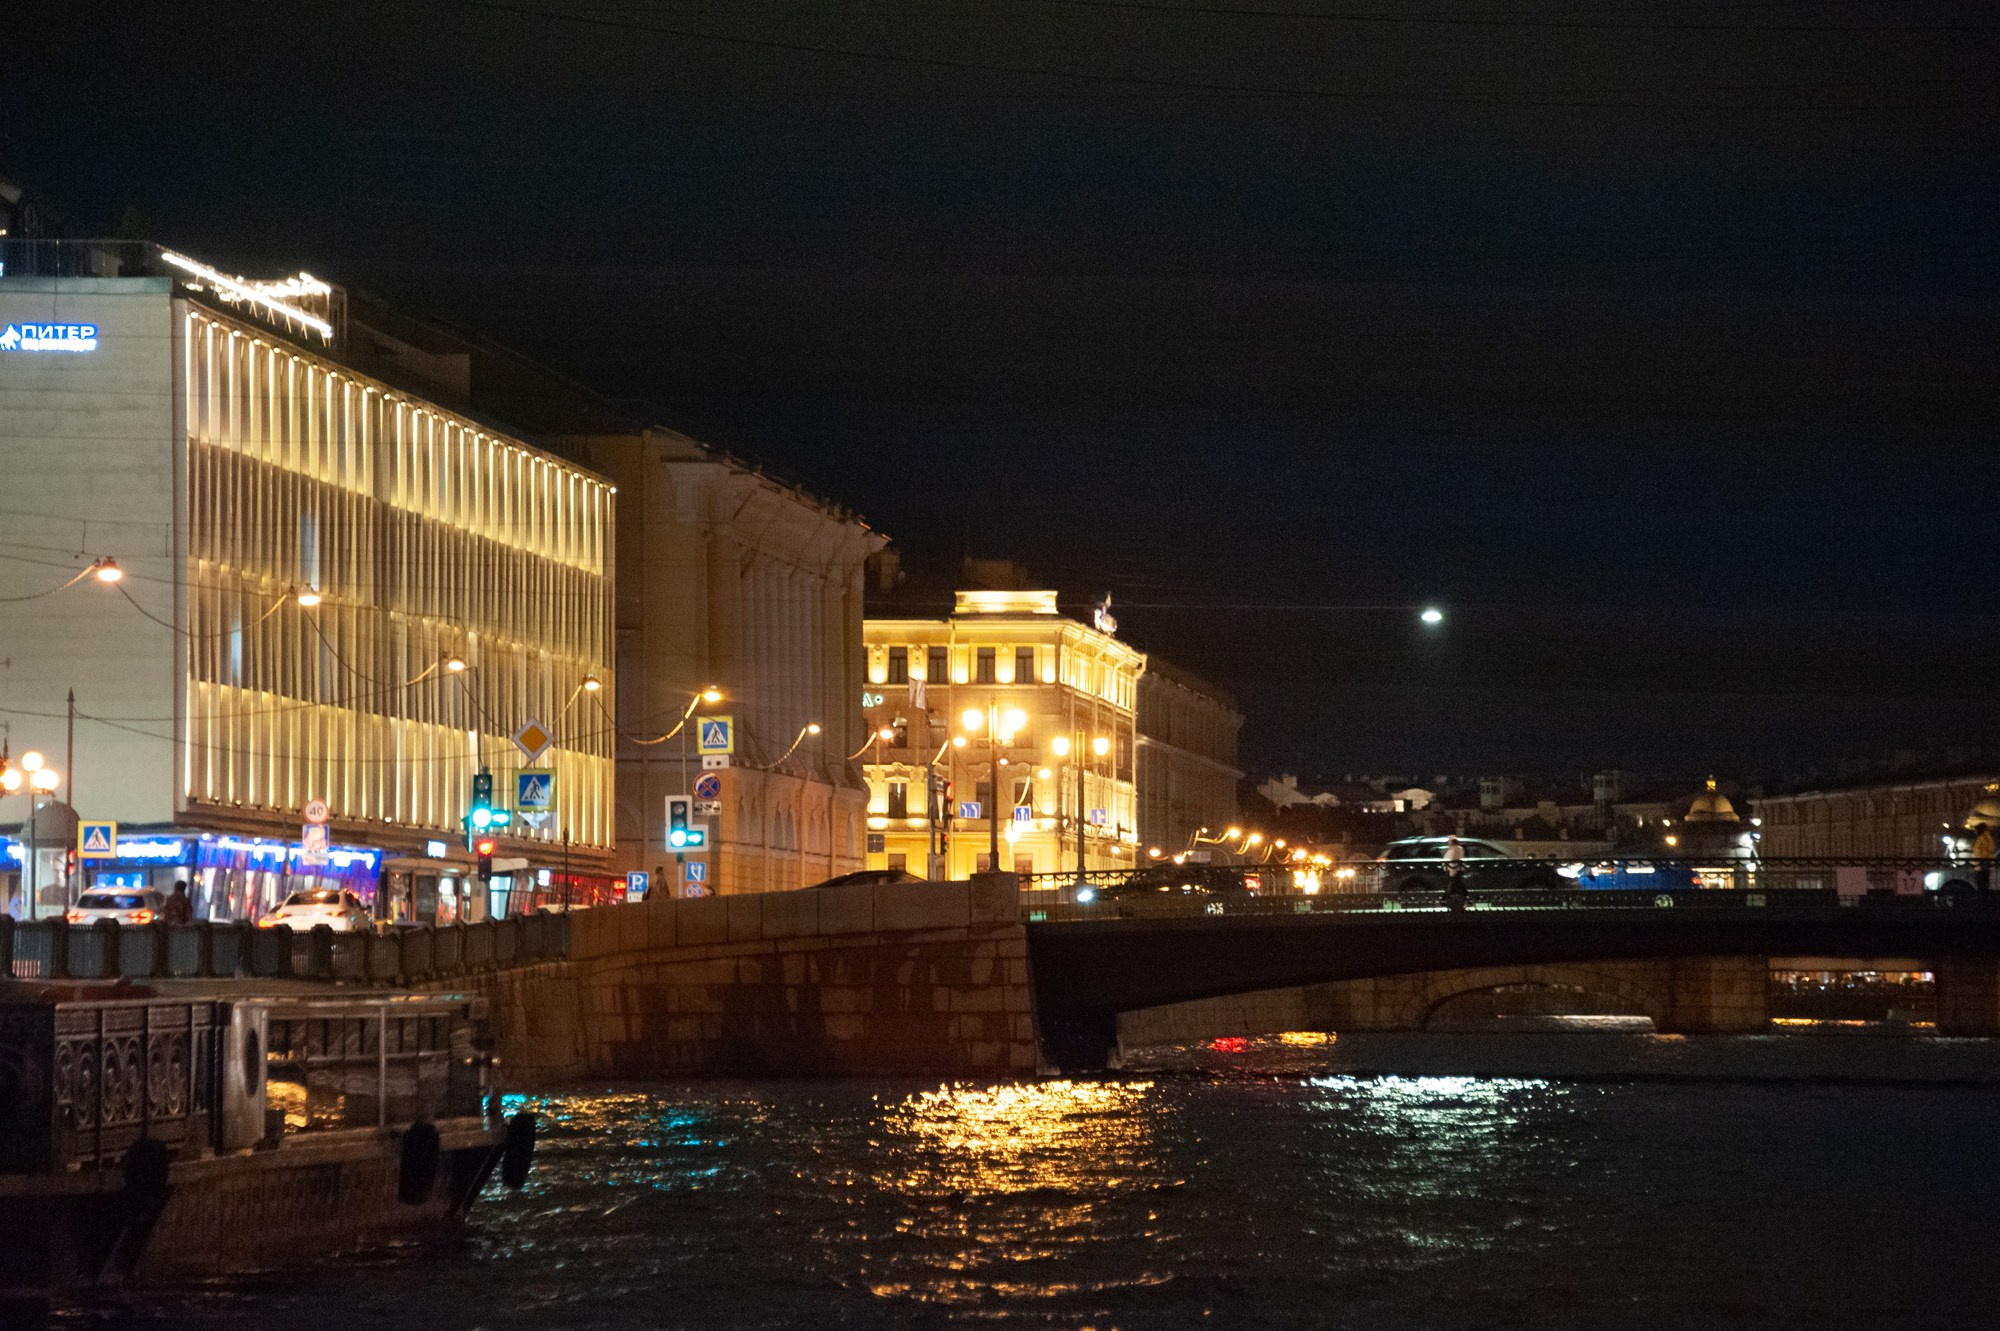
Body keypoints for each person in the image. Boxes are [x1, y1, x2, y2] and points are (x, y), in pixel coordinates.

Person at [1443, 835, 1468, 911]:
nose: (1448, 843)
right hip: (1455, 871)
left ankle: (1449, 900)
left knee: (1453, 887)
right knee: (1458, 887)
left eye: (1449, 841)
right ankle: (1462, 901)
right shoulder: (1458, 849)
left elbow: (1452, 861)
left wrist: (1452, 873)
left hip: (1453, 871)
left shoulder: (1454, 850)